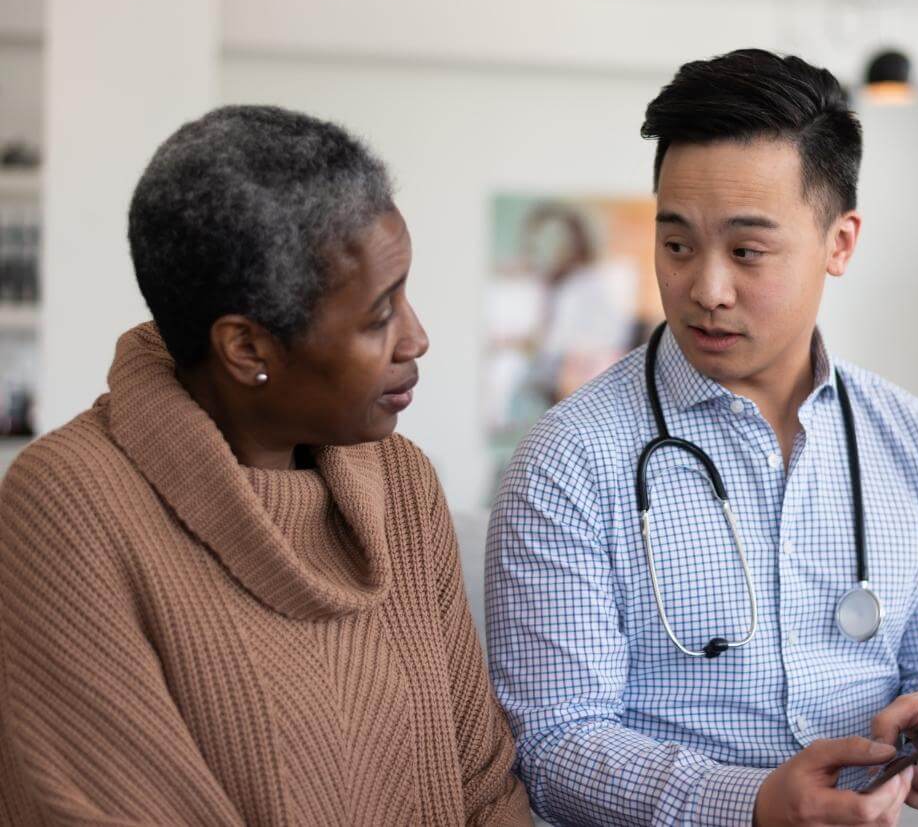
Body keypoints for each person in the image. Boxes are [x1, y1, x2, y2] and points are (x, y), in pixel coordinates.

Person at [485, 50, 918, 826]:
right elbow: (554, 741)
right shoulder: (568, 458)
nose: (705, 288)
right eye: (676, 245)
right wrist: (754, 803)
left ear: (840, 243)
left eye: (746, 251)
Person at [0, 106, 531, 825]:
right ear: (247, 348)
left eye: (405, 293)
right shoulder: (66, 505)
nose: (417, 337)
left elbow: (487, 786)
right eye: (379, 315)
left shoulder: (402, 482)